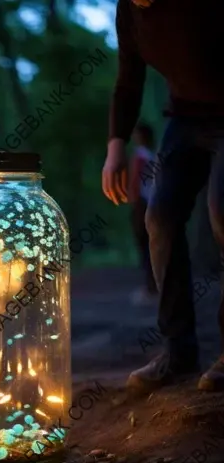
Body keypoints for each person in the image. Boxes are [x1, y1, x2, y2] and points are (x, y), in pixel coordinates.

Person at [101, 0, 224, 392]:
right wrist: (116, 146)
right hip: (186, 119)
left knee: (222, 213)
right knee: (160, 218)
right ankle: (178, 352)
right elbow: (128, 79)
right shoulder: (129, 12)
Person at [128, 121, 158, 305]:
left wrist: (134, 202)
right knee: (152, 246)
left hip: (142, 206)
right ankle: (153, 284)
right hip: (153, 204)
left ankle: (150, 287)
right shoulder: (155, 156)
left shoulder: (141, 158)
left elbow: (136, 185)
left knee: (145, 247)